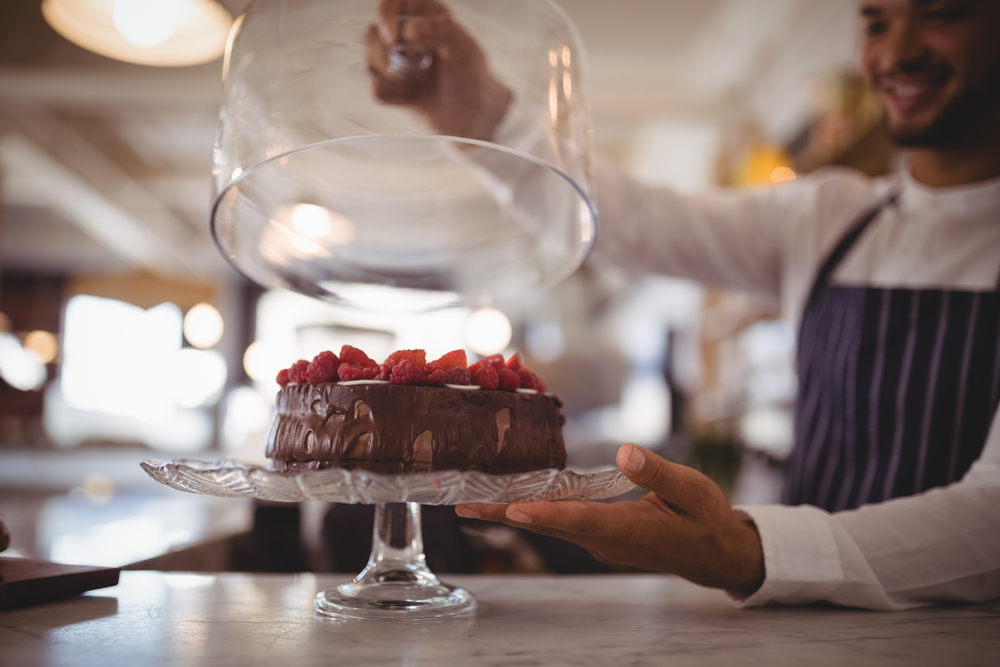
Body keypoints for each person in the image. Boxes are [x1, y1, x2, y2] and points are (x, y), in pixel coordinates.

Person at [366, 0, 1000, 609]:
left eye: (942, 13)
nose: (898, 51)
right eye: (876, 21)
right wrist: (473, 107)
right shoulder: (831, 217)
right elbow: (631, 222)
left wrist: (740, 549)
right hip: (807, 622)